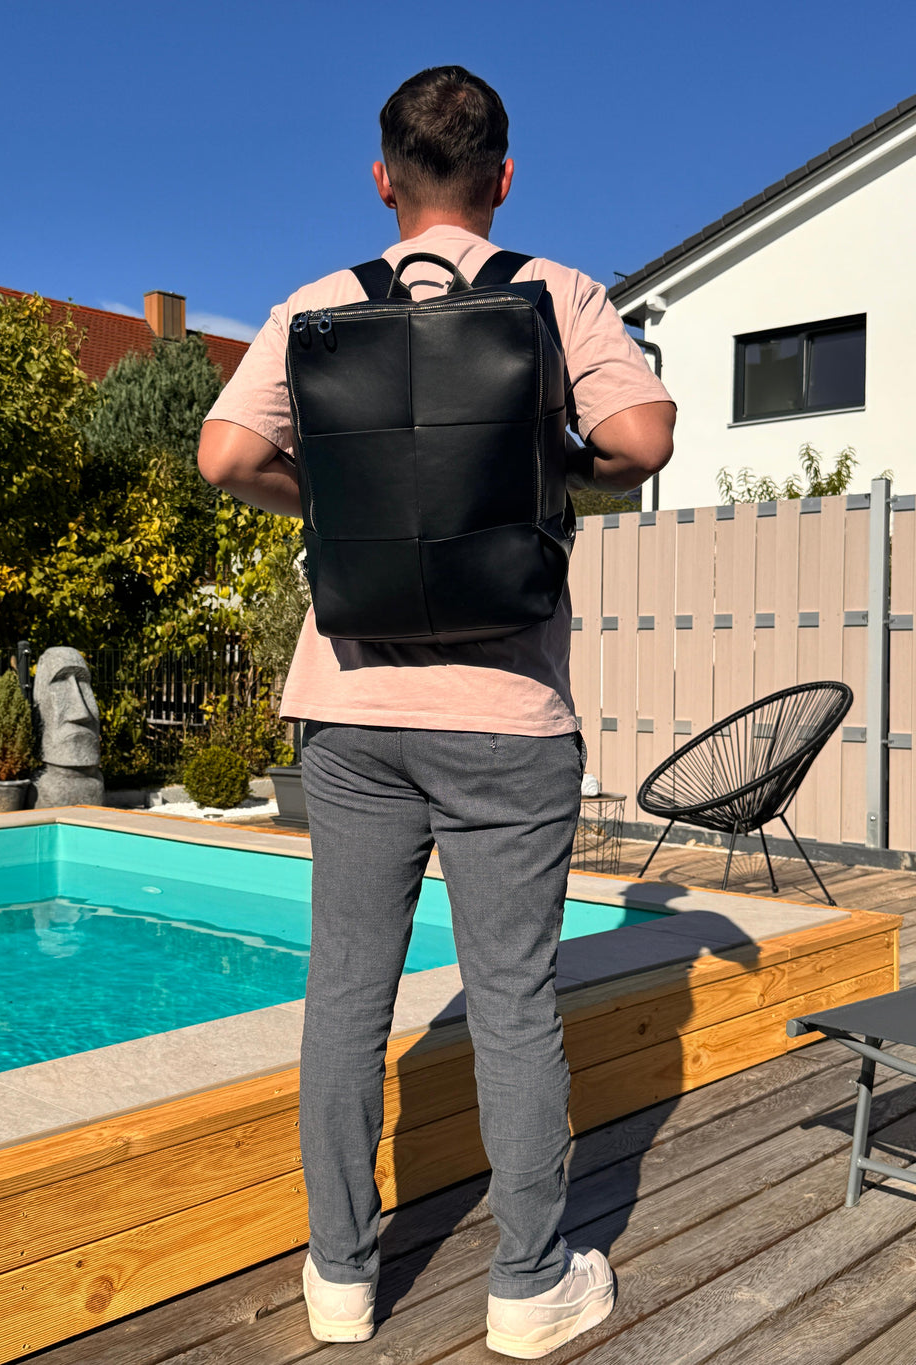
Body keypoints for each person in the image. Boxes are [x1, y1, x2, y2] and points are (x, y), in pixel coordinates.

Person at [198, 66, 675, 1359]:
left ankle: (341, 1279)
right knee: (513, 995)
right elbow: (643, 436)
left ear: (383, 178)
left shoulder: (318, 306)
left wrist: (344, 505)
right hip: (506, 707)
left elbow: (225, 456)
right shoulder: (555, 291)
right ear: (504, 175)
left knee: (346, 996)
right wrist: (540, 469)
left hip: (350, 705)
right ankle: (531, 1288)